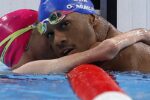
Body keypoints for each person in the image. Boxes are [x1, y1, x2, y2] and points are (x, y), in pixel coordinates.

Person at [0, 9, 150, 74]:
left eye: (63, 26)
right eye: (49, 34)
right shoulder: (27, 70)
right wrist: (140, 33)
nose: (58, 40)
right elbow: (104, 50)